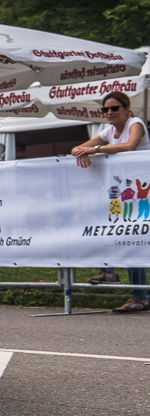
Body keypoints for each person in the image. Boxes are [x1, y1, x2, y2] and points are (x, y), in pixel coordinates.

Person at [71, 90, 149, 312]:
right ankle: (111, 272)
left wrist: (93, 149)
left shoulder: (136, 123)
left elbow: (129, 146)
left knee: (135, 240)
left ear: (127, 109)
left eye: (115, 108)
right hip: (122, 191)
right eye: (105, 109)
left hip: (142, 191)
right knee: (112, 229)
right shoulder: (108, 131)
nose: (109, 112)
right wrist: (83, 151)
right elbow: (76, 148)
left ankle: (139, 295)